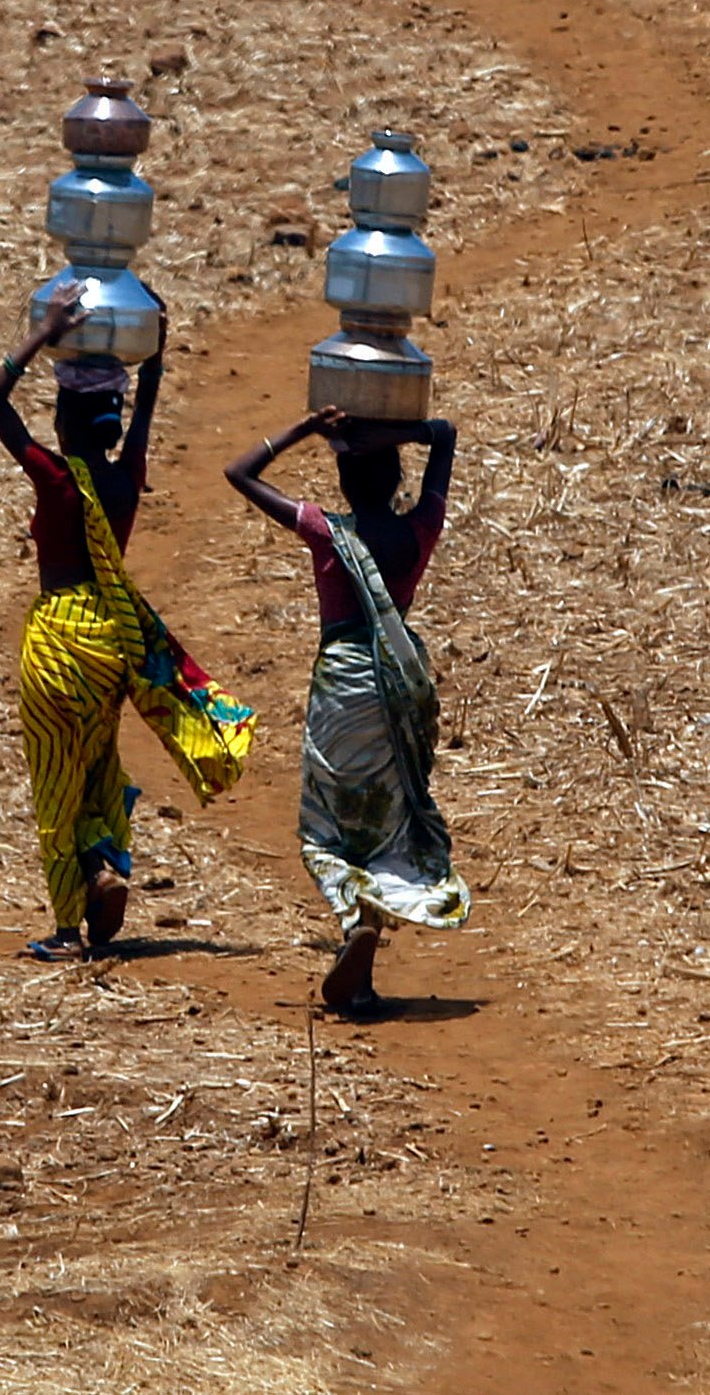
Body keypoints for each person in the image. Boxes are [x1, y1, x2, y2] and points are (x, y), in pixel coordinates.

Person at [0, 293, 254, 962]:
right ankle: (103, 862)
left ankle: (66, 928)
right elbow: (146, 416)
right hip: (110, 642)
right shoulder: (126, 481)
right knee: (98, 758)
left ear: (63, 423)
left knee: (55, 776)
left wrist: (43, 333)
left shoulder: (56, 479)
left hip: (58, 638)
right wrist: (154, 354)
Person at [224, 407, 468, 1014]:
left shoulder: (327, 532)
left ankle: (352, 917)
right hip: (398, 686)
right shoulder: (420, 531)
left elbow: (240, 472)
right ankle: (363, 956)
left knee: (325, 829)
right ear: (394, 481)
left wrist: (304, 427)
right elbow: (446, 434)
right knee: (386, 818)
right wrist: (400, 432)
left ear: (343, 485)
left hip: (341, 688)